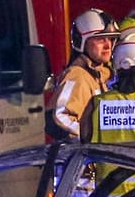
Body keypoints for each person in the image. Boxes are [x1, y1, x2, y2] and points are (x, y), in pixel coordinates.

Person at [46, 8, 117, 141]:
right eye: (100, 39)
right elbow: (59, 117)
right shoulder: (77, 75)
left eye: (111, 38)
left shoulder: (102, 76)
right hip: (83, 159)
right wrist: (91, 137)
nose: (108, 45)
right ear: (82, 42)